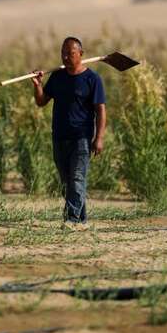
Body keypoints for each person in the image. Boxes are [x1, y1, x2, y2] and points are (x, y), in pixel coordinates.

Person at [32, 37, 106, 224]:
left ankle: (71, 220)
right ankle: (81, 220)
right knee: (67, 183)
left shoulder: (92, 79)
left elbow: (100, 110)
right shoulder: (57, 77)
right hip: (59, 136)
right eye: (63, 53)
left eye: (70, 53)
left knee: (77, 179)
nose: (65, 57)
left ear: (81, 54)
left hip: (81, 138)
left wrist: (99, 138)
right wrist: (38, 85)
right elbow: (41, 102)